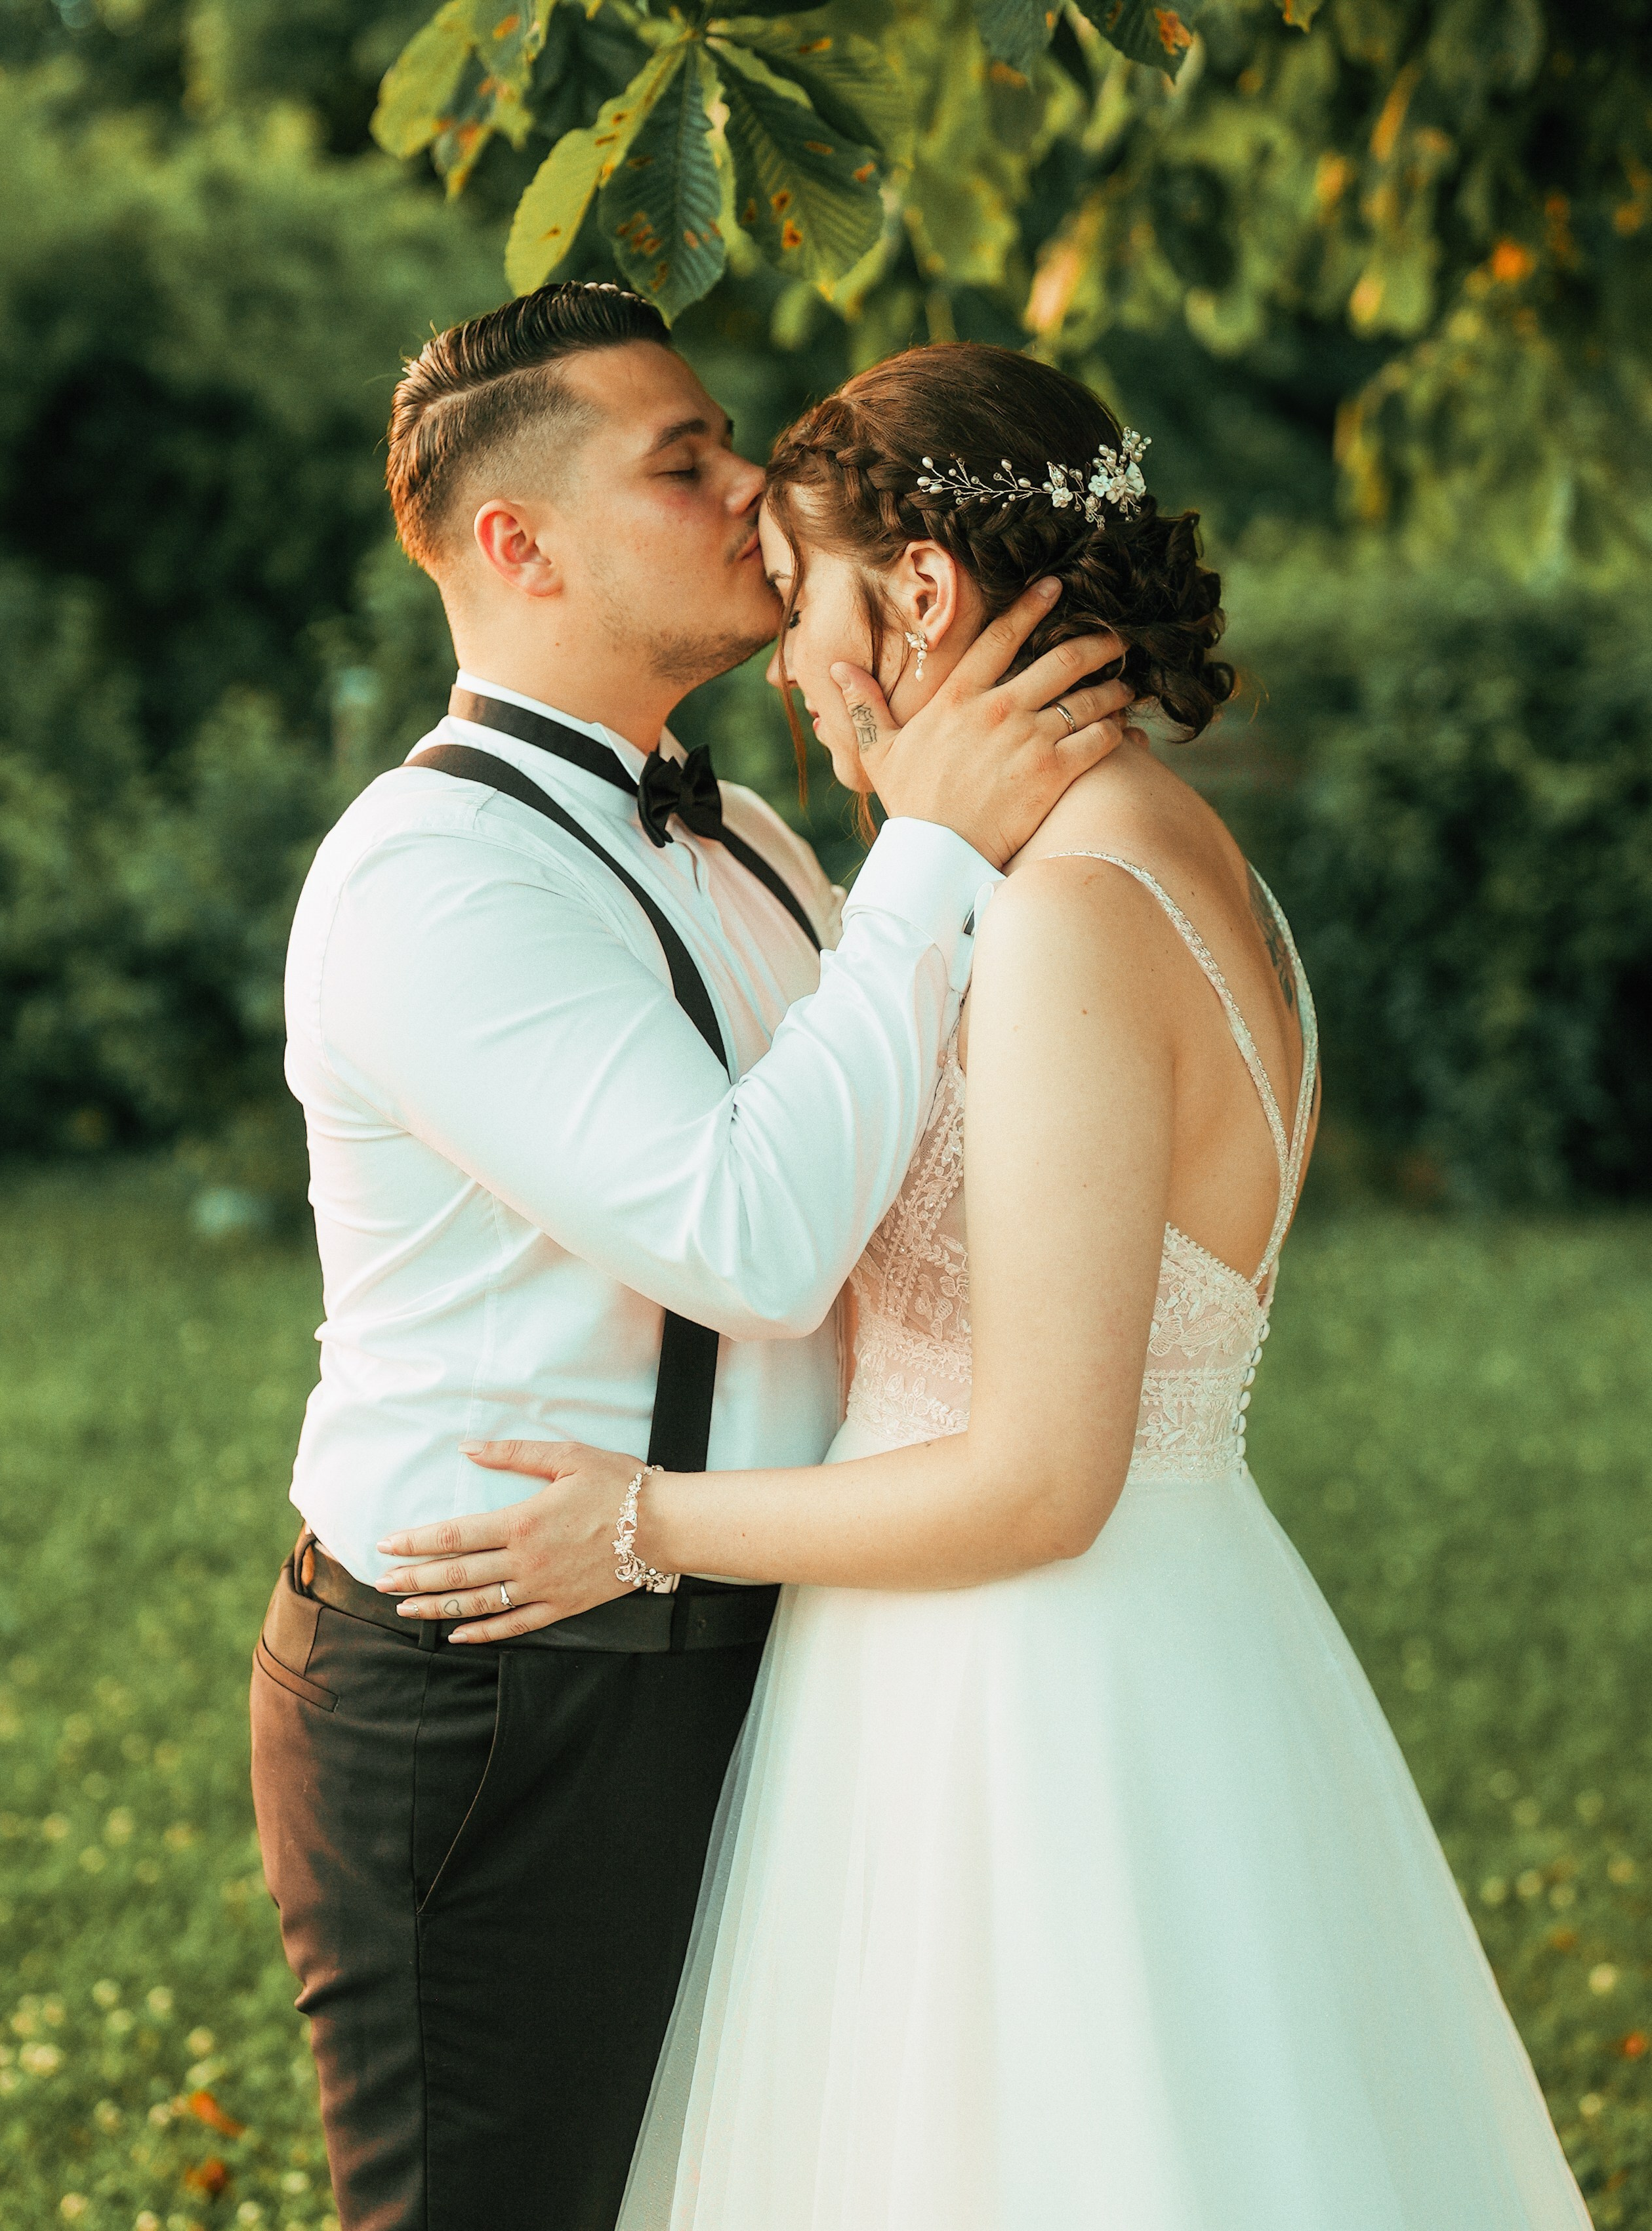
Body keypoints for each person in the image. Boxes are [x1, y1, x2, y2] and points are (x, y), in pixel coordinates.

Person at [381, 343, 1594, 2230]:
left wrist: (643, 1519)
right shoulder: (1170, 870)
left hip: (1028, 1683)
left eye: (809, 595)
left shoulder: (1072, 917)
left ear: (923, 594)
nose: (789, 663)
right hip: (1118, 1631)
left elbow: (1042, 1471)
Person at [249, 287, 1136, 2231]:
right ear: (519, 543)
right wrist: (932, 850)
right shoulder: (428, 881)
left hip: (756, 1624)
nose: (757, 490)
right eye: (688, 462)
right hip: (503, 1690)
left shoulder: (743, 837)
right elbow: (751, 1237)